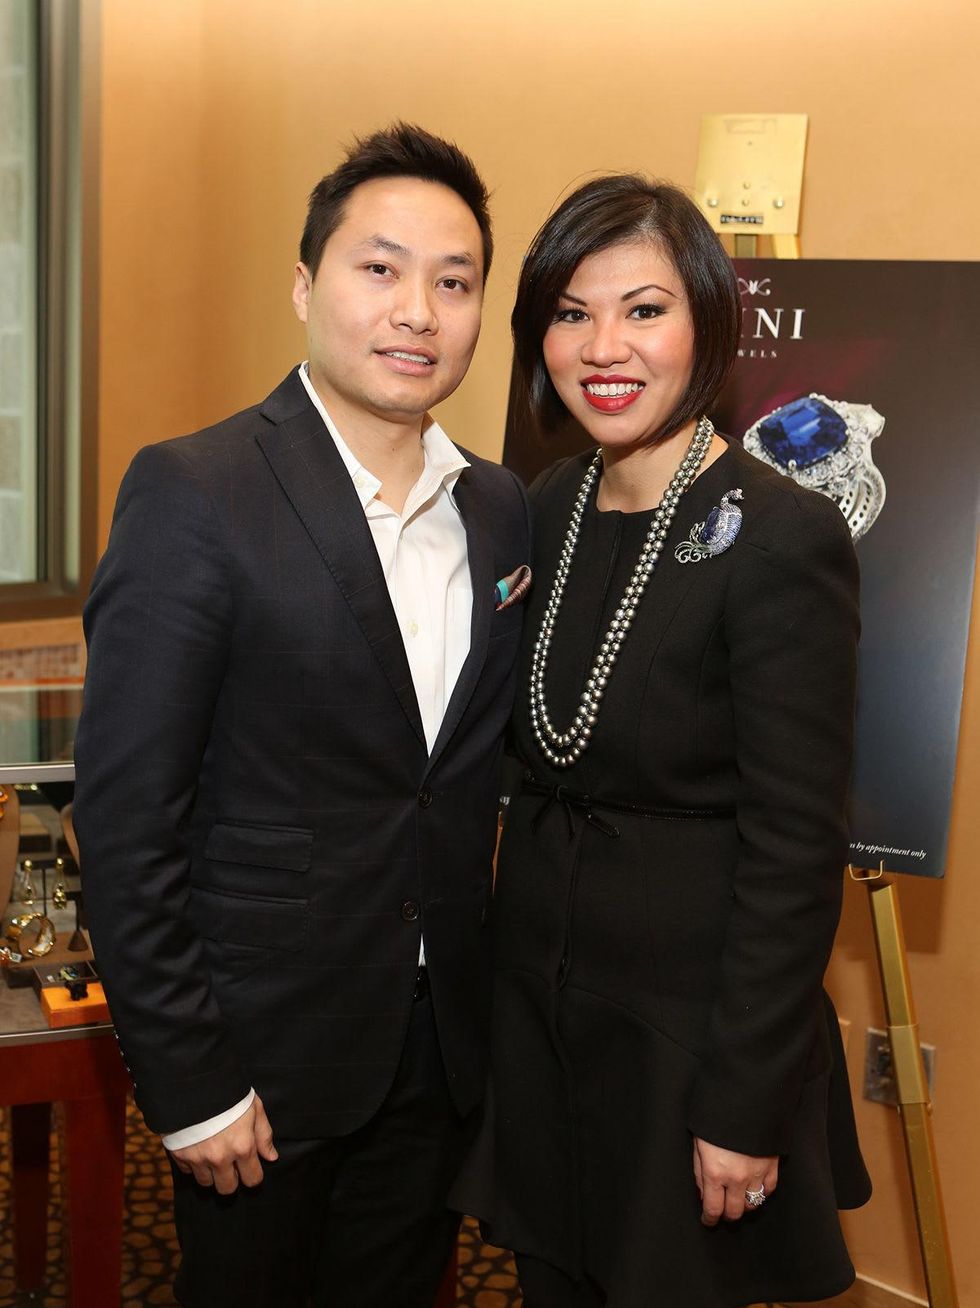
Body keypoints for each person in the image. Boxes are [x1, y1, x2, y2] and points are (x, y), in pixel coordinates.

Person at [73, 123, 531, 1308]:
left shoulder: (498, 511)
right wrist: (188, 1080)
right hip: (260, 1066)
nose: (415, 311)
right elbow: (125, 823)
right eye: (377, 269)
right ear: (305, 286)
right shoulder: (195, 490)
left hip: (439, 1053)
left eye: (453, 280)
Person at [453, 175, 871, 1307]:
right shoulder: (535, 509)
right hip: (541, 1028)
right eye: (572, 312)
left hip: (685, 1049)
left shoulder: (782, 535)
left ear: (705, 325)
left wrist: (740, 1104)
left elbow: (795, 851)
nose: (605, 346)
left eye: (643, 310)